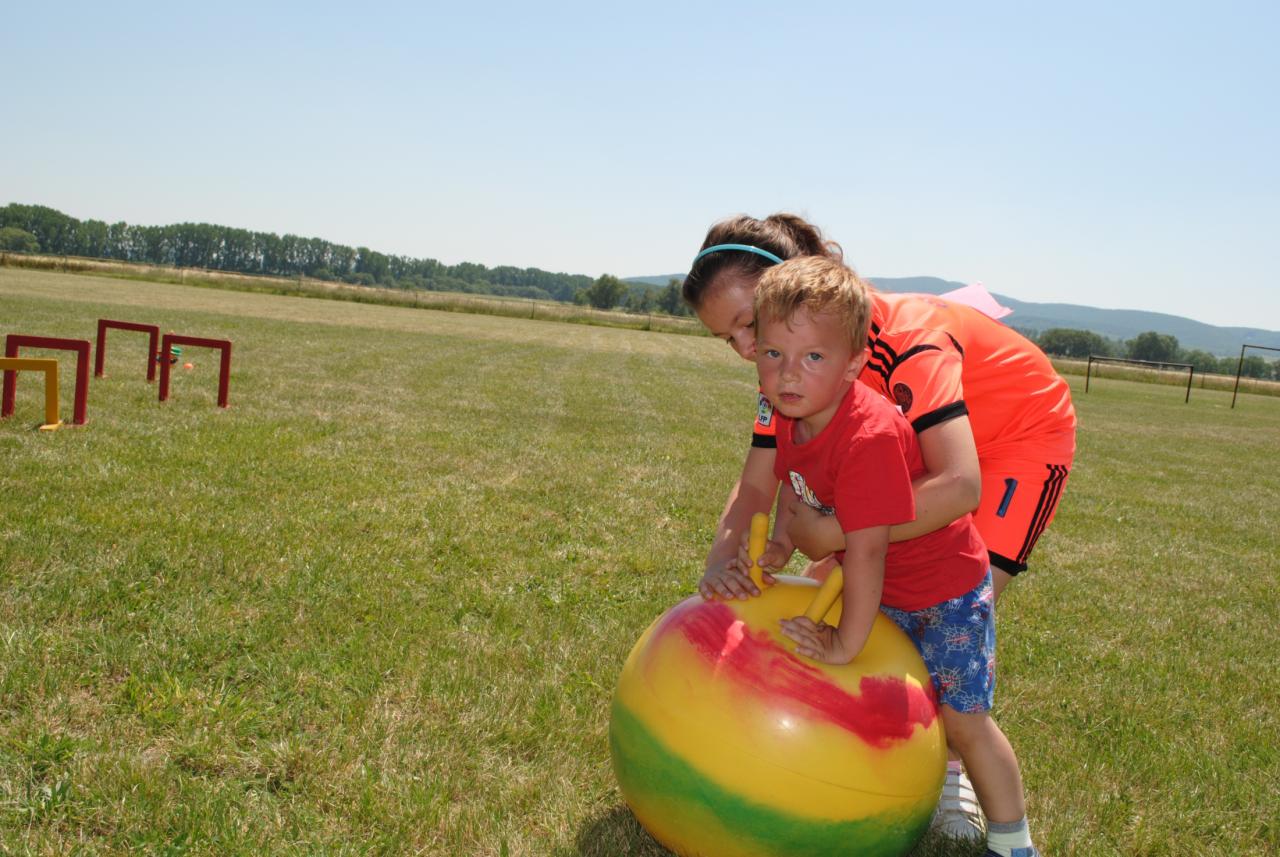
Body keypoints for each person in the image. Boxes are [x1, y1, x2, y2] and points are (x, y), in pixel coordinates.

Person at [686, 213, 1075, 840]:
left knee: (941, 612)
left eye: (747, 323)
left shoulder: (904, 344)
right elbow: (758, 482)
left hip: (1012, 441)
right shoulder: (796, 363)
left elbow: (959, 485)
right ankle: (832, 750)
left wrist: (834, 534)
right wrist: (723, 562)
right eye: (726, 337)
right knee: (840, 601)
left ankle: (954, 773)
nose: (746, 349)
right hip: (919, 450)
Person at [752, 256, 1040, 857]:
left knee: (962, 719)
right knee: (875, 696)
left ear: (853, 364)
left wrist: (845, 643)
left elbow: (867, 552)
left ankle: (1013, 842)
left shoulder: (869, 434)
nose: (788, 373)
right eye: (774, 353)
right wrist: (783, 538)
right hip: (882, 582)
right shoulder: (788, 412)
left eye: (812, 357)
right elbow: (793, 483)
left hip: (942, 594)